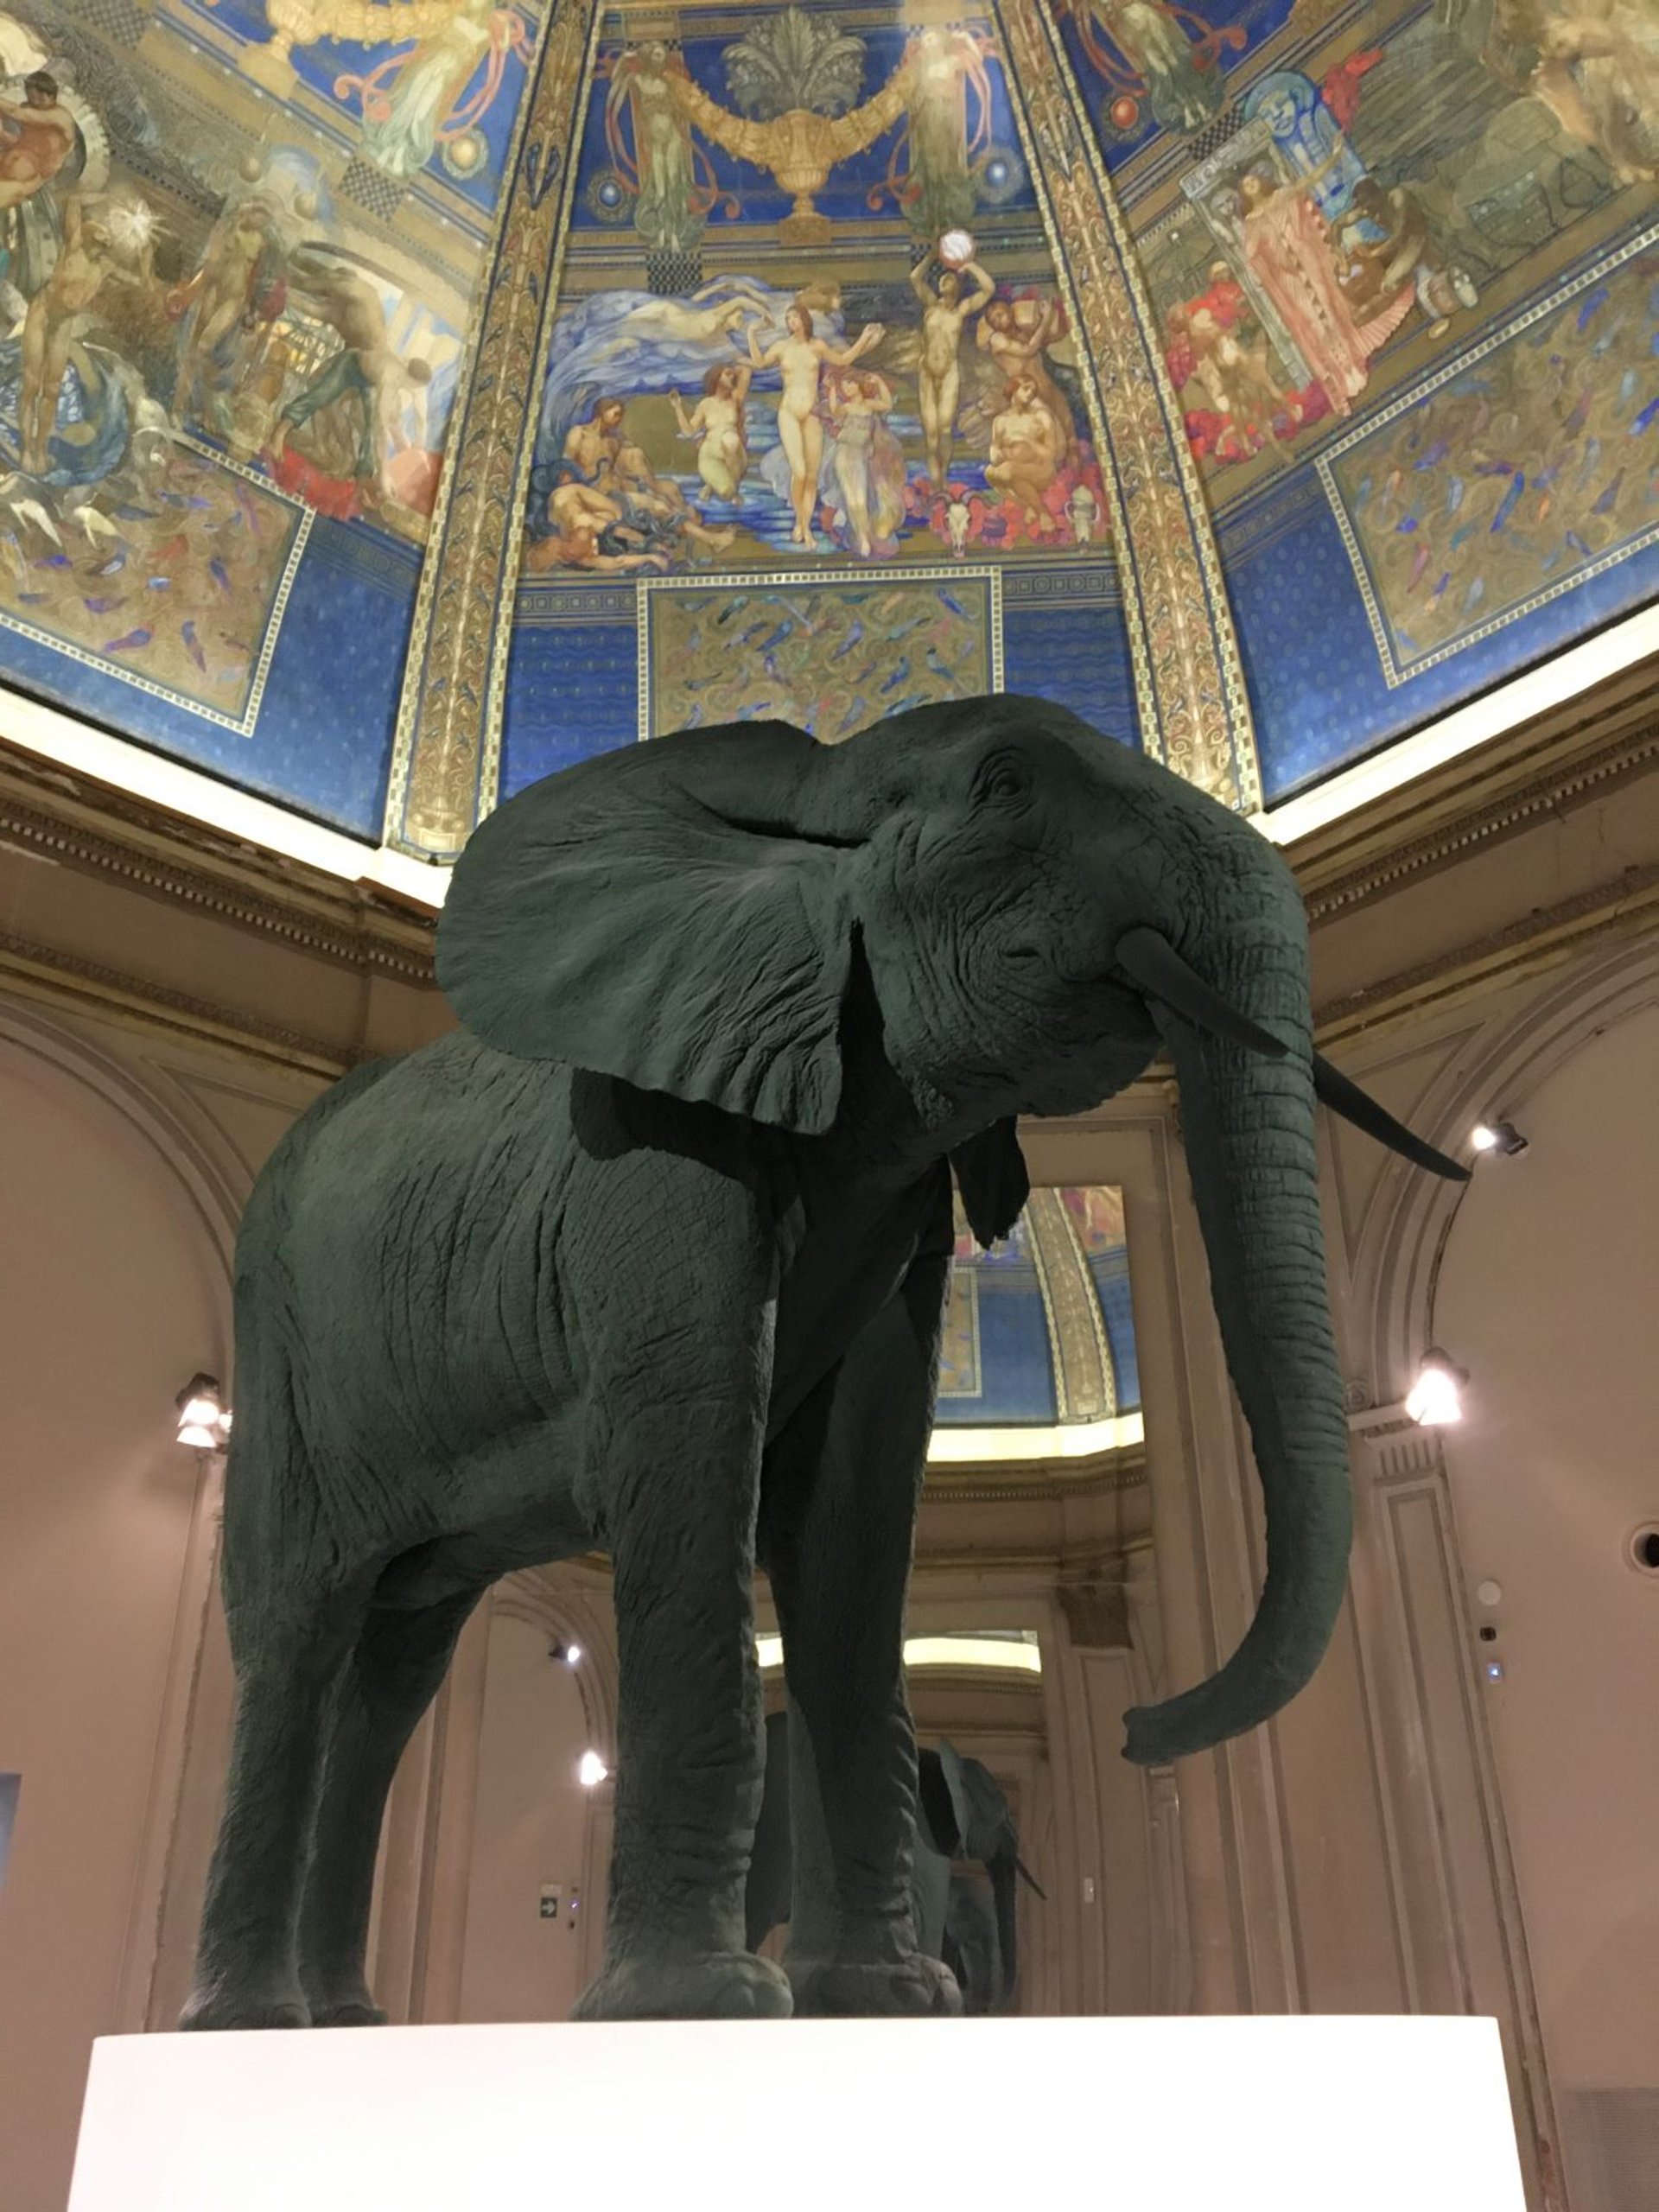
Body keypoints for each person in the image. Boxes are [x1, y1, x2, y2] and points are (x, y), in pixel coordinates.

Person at [266, 251, 429, 501]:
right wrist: (278, 284)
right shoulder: (350, 298)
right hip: (352, 364)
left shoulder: (393, 376)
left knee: (369, 430)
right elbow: (306, 294)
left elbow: (385, 427)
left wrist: (389, 468)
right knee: (320, 395)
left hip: (368, 378)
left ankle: (361, 479)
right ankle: (280, 434)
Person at [18, 194, 153, 474]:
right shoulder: (75, 246)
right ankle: (25, 449)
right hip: (42, 315)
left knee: (52, 391)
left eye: (107, 239)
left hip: (62, 326)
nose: (104, 239)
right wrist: (106, 199)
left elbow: (142, 283)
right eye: (100, 234)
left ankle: (40, 450)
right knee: (31, 384)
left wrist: (145, 253)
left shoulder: (104, 268)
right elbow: (74, 201)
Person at [747, 301, 885, 549]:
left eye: (795, 317)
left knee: (811, 476)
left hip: (812, 414)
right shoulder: (782, 347)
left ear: (804, 320)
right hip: (789, 412)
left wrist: (864, 338)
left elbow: (844, 360)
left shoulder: (817, 346)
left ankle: (805, 525)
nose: (791, 322)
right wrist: (751, 333)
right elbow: (759, 363)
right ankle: (802, 526)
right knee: (799, 472)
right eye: (788, 319)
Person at [168, 197, 286, 424]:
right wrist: (191, 291)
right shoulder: (227, 231)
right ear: (250, 211)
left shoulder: (261, 244)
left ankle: (193, 405)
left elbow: (255, 278)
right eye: (259, 214)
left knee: (203, 347)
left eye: (265, 218)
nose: (261, 220)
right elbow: (210, 264)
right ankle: (180, 404)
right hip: (213, 289)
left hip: (234, 298)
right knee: (192, 348)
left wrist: (251, 309)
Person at [910, 245, 994, 487]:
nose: (945, 281)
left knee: (945, 428)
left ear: (958, 286)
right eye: (943, 279)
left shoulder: (961, 311)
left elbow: (989, 289)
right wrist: (930, 256)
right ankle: (936, 481)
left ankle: (943, 475)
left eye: (951, 278)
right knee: (932, 435)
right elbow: (915, 278)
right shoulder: (930, 305)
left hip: (949, 372)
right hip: (927, 371)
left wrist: (969, 265)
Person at [976, 295, 1075, 457]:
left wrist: (1052, 318)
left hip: (1045, 383)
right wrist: (1046, 319)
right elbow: (1028, 350)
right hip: (1025, 391)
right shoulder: (996, 339)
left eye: (999, 315)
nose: (997, 321)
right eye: (993, 321)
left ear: (1010, 311)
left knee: (1067, 425)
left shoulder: (1023, 332)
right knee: (1050, 432)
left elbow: (1050, 337)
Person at [826, 367, 906, 557]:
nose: (847, 387)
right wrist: (832, 389)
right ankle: (862, 538)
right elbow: (834, 412)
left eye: (850, 383)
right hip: (843, 454)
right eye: (844, 384)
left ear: (859, 385)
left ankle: (865, 535)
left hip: (859, 456)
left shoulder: (869, 405)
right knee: (851, 500)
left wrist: (879, 381)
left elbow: (887, 404)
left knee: (860, 500)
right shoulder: (846, 408)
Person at [986, 375, 1065, 523]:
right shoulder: (1000, 421)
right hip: (1013, 469)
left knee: (1009, 471)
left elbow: (1050, 455)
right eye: (1026, 388)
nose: (1030, 394)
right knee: (990, 472)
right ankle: (1030, 505)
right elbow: (995, 450)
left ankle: (1043, 513)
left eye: (1033, 391)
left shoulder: (1041, 417)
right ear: (1013, 389)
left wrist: (1028, 441)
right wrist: (997, 453)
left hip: (1041, 470)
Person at [671, 360, 751, 500]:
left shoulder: (735, 400)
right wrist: (678, 408)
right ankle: (715, 484)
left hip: (734, 453)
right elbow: (689, 432)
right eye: (727, 374)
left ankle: (721, 485)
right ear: (716, 378)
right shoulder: (705, 404)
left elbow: (746, 371)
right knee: (727, 492)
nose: (733, 376)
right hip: (711, 453)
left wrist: (734, 367)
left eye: (732, 374)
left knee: (730, 440)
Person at [0, 72, 74, 216]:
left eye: (39, 99)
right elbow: (23, 142)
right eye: (31, 98)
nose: (34, 103)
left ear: (51, 96)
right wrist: (3, 134)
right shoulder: (29, 108)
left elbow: (16, 112)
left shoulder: (60, 116)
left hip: (26, 182)